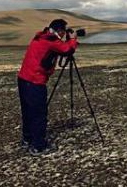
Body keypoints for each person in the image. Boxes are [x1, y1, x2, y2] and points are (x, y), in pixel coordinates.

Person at [17, 18, 78, 155]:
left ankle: (27, 139)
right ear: (60, 31)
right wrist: (73, 39)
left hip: (23, 79)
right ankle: (38, 146)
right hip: (35, 81)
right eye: (63, 33)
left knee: (27, 111)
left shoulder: (40, 37)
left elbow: (58, 48)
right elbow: (67, 50)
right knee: (39, 114)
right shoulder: (51, 41)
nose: (63, 35)